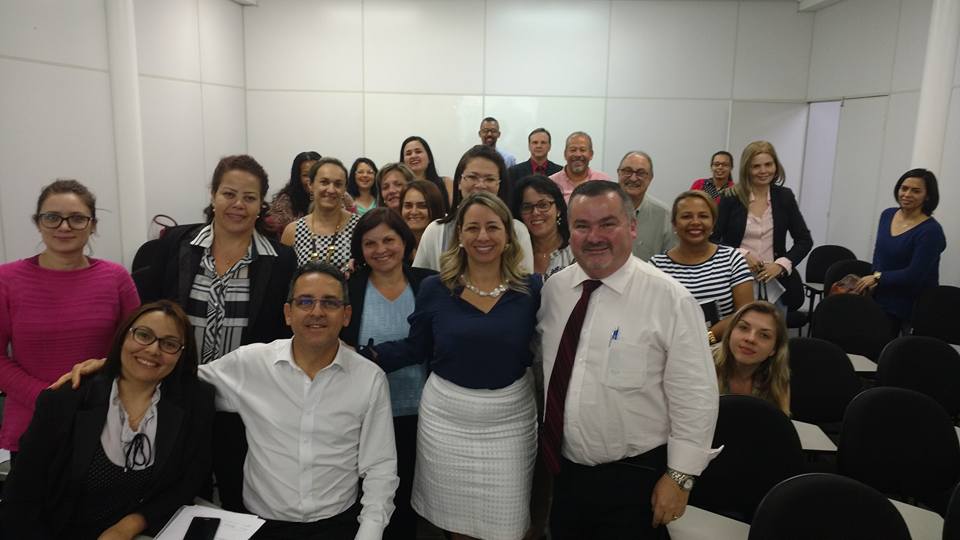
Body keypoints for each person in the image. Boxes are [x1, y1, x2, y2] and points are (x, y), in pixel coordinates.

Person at [59, 263, 399, 540]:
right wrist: (113, 365)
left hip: (337, 524)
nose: (317, 312)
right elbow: (176, 375)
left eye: (330, 303)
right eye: (305, 302)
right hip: (259, 525)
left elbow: (380, 469)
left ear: (346, 315)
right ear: (288, 313)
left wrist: (368, 535)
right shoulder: (251, 363)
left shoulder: (368, 379)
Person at [538, 181, 719, 539]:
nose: (594, 237)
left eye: (608, 224)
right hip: (566, 475)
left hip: (636, 480)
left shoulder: (670, 299)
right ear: (569, 231)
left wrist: (680, 477)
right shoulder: (555, 291)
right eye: (582, 225)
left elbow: (695, 394)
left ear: (632, 226)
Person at [367, 192, 542, 540]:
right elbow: (416, 348)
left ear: (508, 235)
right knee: (457, 526)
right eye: (472, 227)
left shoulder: (531, 290)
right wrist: (362, 356)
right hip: (447, 420)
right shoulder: (435, 288)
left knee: (507, 525)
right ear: (459, 234)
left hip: (509, 421)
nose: (482, 236)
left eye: (492, 227)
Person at [3, 301, 215, 539]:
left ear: (181, 354)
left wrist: (128, 527)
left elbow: (187, 483)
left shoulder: (196, 401)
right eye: (143, 335)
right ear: (123, 336)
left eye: (169, 344)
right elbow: (22, 495)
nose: (154, 350)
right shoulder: (66, 400)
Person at [0, 179, 140, 456]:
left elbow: (137, 347)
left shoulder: (117, 278)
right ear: (38, 223)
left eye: (77, 218)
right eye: (52, 217)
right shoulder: (6, 280)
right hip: (34, 423)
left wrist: (102, 371)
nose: (64, 227)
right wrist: (48, 397)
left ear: (92, 225)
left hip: (104, 420)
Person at [136, 155, 295, 364]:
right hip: (178, 378)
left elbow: (283, 334)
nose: (238, 204)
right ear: (213, 196)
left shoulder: (281, 261)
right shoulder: (176, 244)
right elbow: (148, 314)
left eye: (249, 198)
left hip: (246, 380)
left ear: (260, 206)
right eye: (229, 194)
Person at [341, 208, 436, 540]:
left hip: (420, 413)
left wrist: (367, 355)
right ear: (360, 249)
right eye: (370, 243)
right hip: (364, 416)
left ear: (404, 241)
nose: (381, 249)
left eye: (389, 240)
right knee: (367, 502)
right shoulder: (349, 287)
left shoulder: (429, 283)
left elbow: (429, 344)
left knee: (408, 499)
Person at [712, 141, 813, 311]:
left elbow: (804, 240)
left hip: (775, 287)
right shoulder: (730, 197)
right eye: (756, 166)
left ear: (776, 165)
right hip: (735, 282)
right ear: (747, 169)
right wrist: (741, 254)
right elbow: (713, 239)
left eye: (768, 164)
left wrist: (781, 265)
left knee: (775, 328)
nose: (763, 171)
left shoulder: (785, 197)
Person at [413, 145, 535, 273]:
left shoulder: (518, 231)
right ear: (459, 182)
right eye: (472, 177)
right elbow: (419, 280)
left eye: (489, 179)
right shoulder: (436, 231)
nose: (480, 185)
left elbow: (525, 282)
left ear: (499, 185)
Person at [651, 191, 753, 343]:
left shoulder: (732, 259)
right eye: (686, 216)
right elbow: (652, 318)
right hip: (673, 349)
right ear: (674, 224)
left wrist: (706, 338)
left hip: (723, 350)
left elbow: (745, 313)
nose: (695, 222)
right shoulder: (657, 266)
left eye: (703, 216)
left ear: (713, 223)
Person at [853, 168, 946, 332]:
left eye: (915, 191)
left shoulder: (931, 231)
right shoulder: (887, 215)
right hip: (880, 294)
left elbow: (914, 274)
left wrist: (877, 278)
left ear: (927, 196)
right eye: (904, 188)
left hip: (911, 304)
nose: (907, 194)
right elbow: (879, 255)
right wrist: (874, 280)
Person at [282, 157, 360, 273]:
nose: (331, 190)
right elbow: (284, 277)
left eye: (338, 184)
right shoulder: (293, 231)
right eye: (324, 182)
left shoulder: (359, 226)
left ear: (344, 189)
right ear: (310, 185)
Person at [713, 301, 790, 415]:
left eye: (764, 335)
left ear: (774, 349)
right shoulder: (704, 365)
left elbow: (779, 422)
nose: (751, 339)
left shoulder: (777, 378)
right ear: (730, 333)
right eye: (743, 327)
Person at [617, 150, 677, 261]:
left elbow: (671, 260)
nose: (633, 178)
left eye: (641, 173)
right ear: (618, 173)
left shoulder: (664, 215)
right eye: (627, 171)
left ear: (650, 178)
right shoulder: (601, 211)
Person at [511, 175, 574, 278]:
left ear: (558, 209)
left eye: (543, 205)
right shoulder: (513, 255)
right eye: (527, 207)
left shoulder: (575, 251)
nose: (535, 212)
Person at [265, 151, 322, 236]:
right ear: (297, 177)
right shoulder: (285, 204)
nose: (312, 180)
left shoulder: (333, 197)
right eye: (306, 175)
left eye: (316, 174)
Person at [549, 131, 611, 200]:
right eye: (573, 150)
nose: (578, 154)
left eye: (582, 150)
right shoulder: (551, 183)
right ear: (565, 154)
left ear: (591, 154)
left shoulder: (603, 181)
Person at [400, 136, 453, 212]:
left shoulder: (446, 183)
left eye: (418, 152)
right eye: (408, 154)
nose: (413, 156)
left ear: (429, 158)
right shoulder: (400, 188)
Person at [399, 180, 445, 260]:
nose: (414, 212)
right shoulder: (396, 246)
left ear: (435, 208)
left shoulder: (447, 244)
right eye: (408, 206)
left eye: (422, 206)